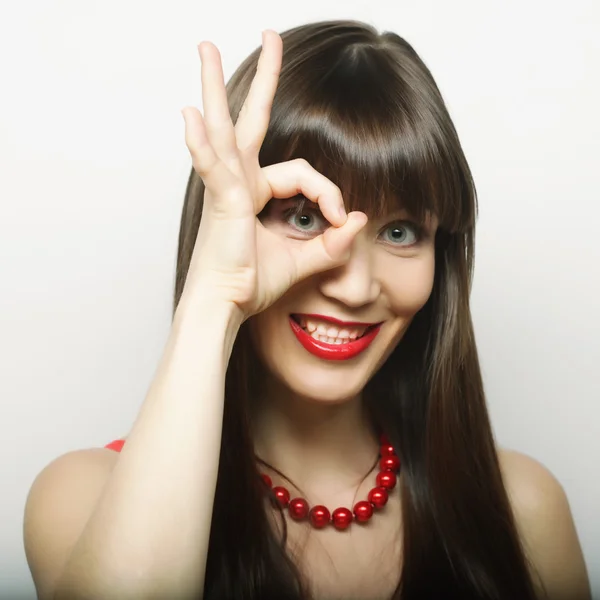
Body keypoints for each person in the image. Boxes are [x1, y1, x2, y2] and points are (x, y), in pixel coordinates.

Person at [23, 20, 590, 600]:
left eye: (399, 231)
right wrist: (216, 293)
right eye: (303, 217)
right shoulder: (82, 497)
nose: (354, 287)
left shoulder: (524, 509)